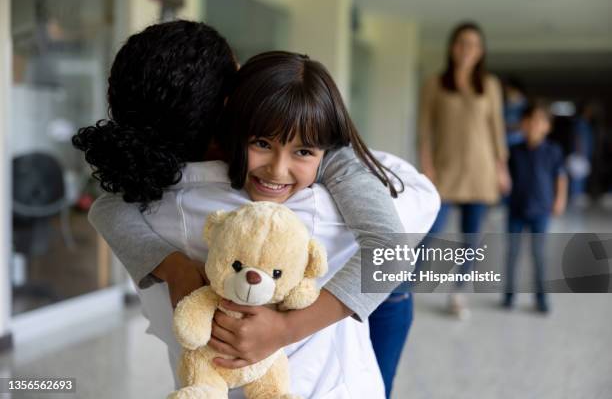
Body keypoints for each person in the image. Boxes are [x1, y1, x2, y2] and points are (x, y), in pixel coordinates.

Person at [73, 22, 439, 397]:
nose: (279, 166)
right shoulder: (305, 205)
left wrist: (174, 266)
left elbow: (105, 209)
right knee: (396, 293)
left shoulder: (143, 203)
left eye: (302, 150)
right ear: (229, 109)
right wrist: (287, 328)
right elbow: (417, 206)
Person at [418, 21, 510, 319]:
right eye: (461, 43)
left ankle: (458, 292)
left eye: (473, 44)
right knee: (430, 234)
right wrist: (427, 166)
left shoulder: (491, 85)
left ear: (481, 51)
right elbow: (424, 130)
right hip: (445, 171)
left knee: (471, 239)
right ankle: (399, 286)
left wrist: (502, 168)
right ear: (451, 47)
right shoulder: (435, 83)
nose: (466, 49)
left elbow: (497, 129)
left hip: (481, 171)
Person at [503, 101, 567, 313]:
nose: (534, 125)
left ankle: (541, 299)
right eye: (529, 120)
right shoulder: (513, 150)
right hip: (516, 209)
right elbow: (504, 176)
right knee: (512, 254)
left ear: (547, 126)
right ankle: (509, 296)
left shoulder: (553, 151)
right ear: (522, 123)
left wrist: (559, 200)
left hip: (541, 210)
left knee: (539, 255)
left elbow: (560, 177)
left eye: (540, 121)